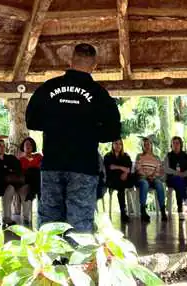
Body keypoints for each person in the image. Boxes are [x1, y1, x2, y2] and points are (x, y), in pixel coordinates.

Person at [26, 43, 121, 232]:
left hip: (52, 164)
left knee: (49, 223)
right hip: (83, 166)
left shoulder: (48, 88)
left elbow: (32, 121)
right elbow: (113, 132)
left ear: (70, 60)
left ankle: (50, 261)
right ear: (94, 65)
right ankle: (77, 262)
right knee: (80, 224)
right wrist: (89, 131)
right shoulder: (99, 94)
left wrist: (57, 125)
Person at [0, 139, 28, 226]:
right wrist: (8, 171)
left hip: (16, 183)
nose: (2, 147)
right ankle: (7, 218)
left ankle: (27, 217)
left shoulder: (10, 158)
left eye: (3, 145)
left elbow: (18, 170)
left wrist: (8, 172)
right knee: (9, 189)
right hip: (0, 185)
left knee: (26, 189)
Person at [135, 137, 167, 223]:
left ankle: (163, 211)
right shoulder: (139, 156)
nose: (147, 146)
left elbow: (159, 169)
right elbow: (138, 168)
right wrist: (146, 176)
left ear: (151, 145)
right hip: (142, 178)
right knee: (144, 183)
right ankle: (143, 211)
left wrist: (153, 176)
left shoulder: (156, 157)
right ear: (142, 146)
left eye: (148, 144)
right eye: (145, 144)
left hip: (153, 178)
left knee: (159, 184)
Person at [104, 139, 133, 223]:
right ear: (112, 145)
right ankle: (123, 212)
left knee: (126, 182)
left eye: (120, 144)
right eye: (116, 144)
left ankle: (125, 210)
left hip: (123, 179)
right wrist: (121, 168)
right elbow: (109, 167)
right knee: (121, 186)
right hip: (112, 180)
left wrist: (125, 173)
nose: (118, 146)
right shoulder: (108, 156)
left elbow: (129, 168)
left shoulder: (126, 156)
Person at [164, 136, 187, 221]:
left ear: (180, 144)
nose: (175, 145)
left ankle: (180, 211)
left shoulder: (186, 156)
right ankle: (186, 200)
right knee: (177, 180)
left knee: (179, 183)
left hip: (184, 179)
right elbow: (166, 168)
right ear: (171, 145)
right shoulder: (168, 155)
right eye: (174, 143)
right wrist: (177, 173)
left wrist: (182, 175)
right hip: (172, 179)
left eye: (177, 143)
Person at [19, 137, 43, 201]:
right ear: (23, 147)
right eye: (26, 144)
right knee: (33, 170)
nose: (28, 146)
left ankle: (33, 192)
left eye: (30, 144)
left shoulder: (38, 156)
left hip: (38, 177)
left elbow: (43, 166)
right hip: (27, 178)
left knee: (36, 170)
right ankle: (34, 192)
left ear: (33, 147)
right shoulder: (20, 160)